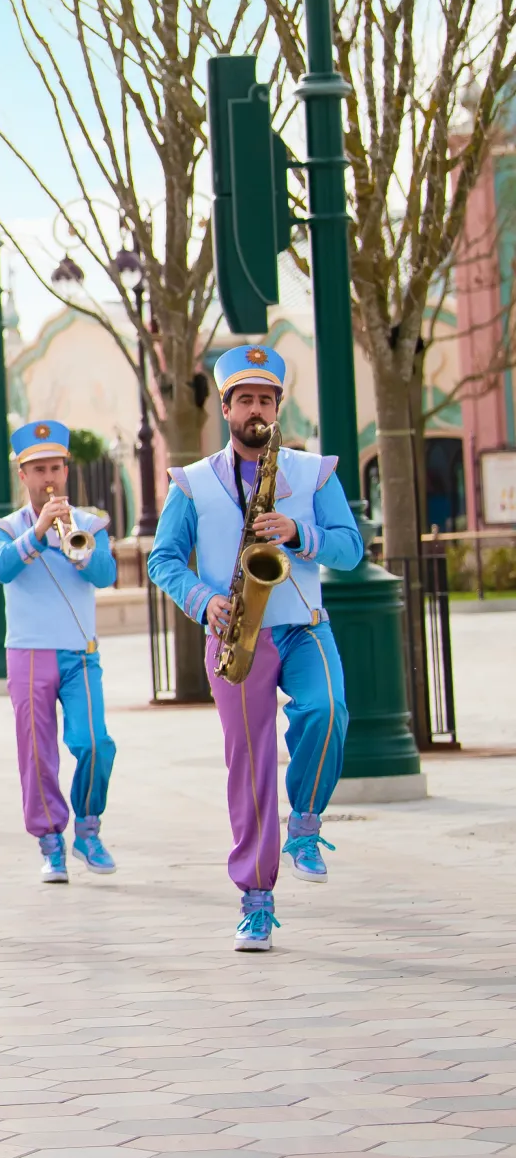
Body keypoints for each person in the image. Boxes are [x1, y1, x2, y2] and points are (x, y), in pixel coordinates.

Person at [148, 345, 362, 952]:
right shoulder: (190, 483)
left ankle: (306, 823)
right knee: (250, 767)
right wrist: (201, 601)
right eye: (245, 399)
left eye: (266, 399)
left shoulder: (314, 473)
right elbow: (164, 560)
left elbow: (350, 549)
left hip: (303, 624)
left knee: (328, 710)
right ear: (225, 408)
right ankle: (256, 899)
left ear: (278, 406)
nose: (255, 409)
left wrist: (301, 533)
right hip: (236, 631)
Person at [0, 422, 120, 884]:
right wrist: (38, 533)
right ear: (22, 475)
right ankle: (50, 842)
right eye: (38, 469)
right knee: (38, 755)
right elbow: (0, 569)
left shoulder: (90, 523)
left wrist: (78, 548)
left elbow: (104, 576)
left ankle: (88, 827)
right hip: (28, 653)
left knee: (95, 744)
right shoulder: (5, 528)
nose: (49, 478)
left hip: (80, 653)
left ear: (67, 470)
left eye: (56, 468)